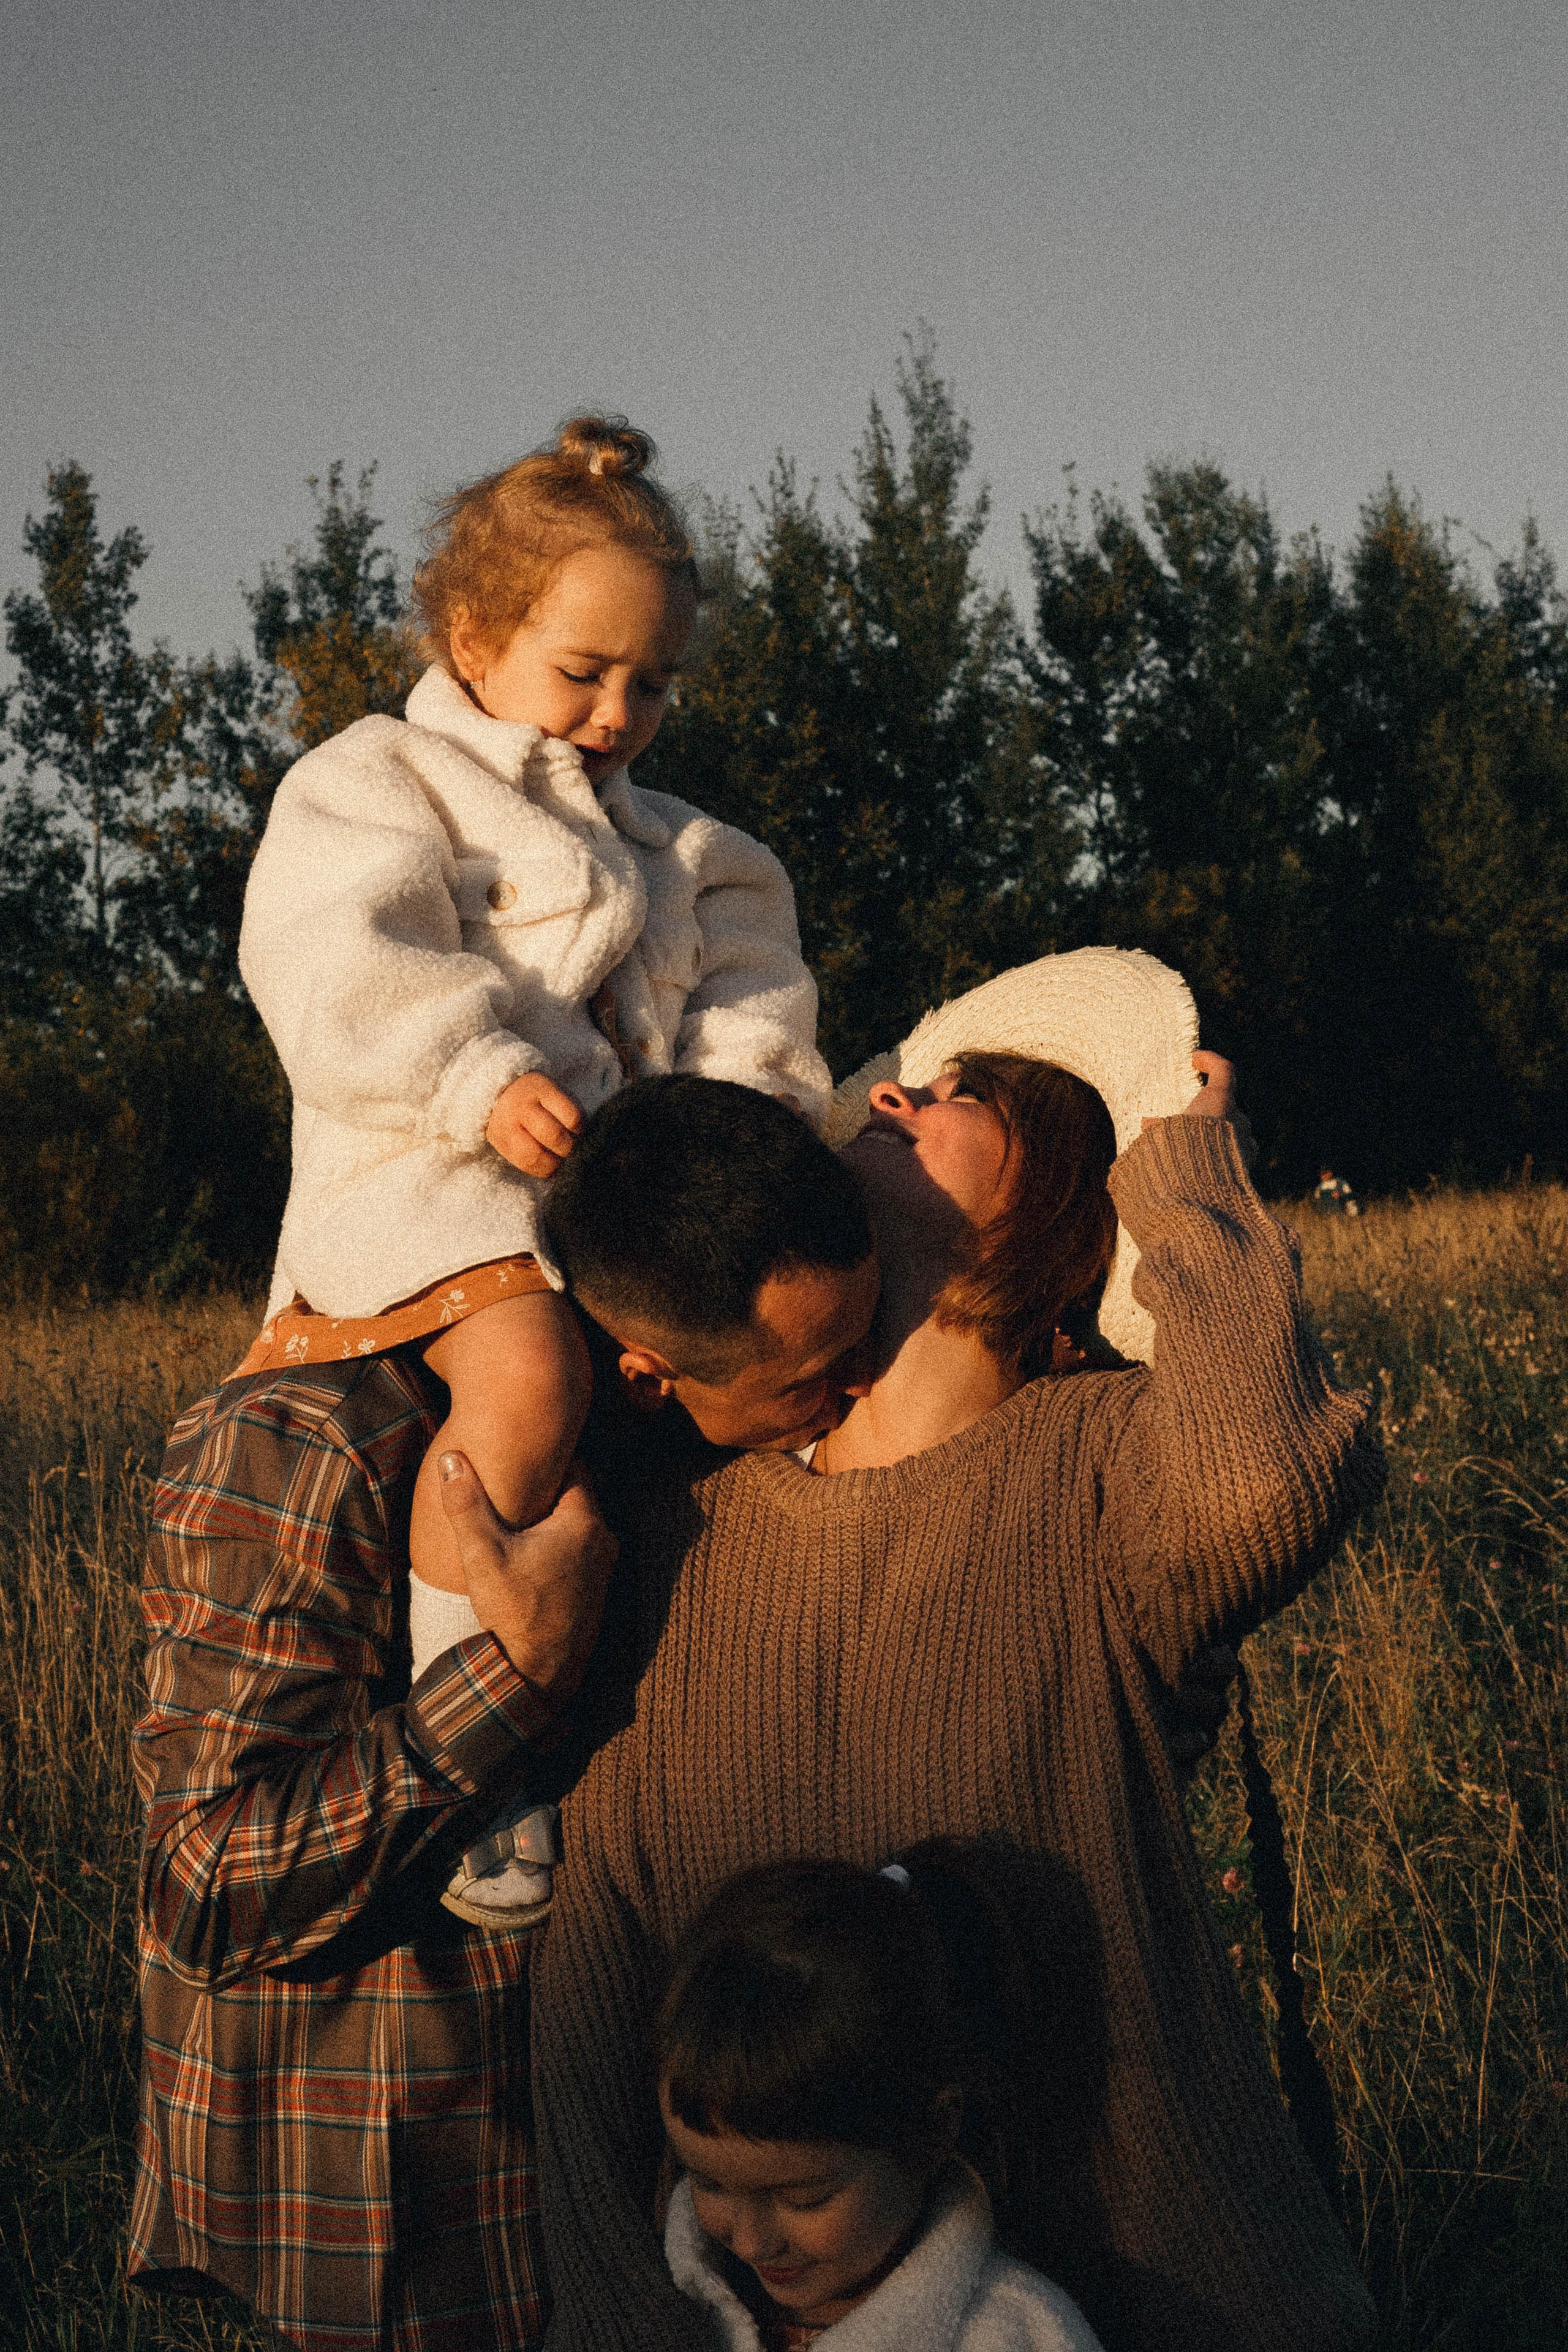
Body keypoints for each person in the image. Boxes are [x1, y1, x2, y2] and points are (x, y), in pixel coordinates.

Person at [529, 1014, 1385, 2351]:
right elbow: (594, 1987)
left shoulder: (1099, 1471)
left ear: (1053, 1197)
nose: (885, 1094)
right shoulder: (678, 1533)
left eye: (956, 1092)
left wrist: (1187, 1167)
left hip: (1165, 2297)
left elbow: (1266, 1482)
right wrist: (620, 2321)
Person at [127, 1093, 875, 2352]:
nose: (854, 1387)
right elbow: (202, 1892)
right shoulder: (314, 1438)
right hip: (390, 2206)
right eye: (811, 1376)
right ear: (648, 1371)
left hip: (612, 2194)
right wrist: (513, 1675)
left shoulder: (664, 1449)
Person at [235, 412, 830, 1923]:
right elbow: (333, 961)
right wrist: (475, 1071)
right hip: (420, 1176)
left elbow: (754, 1023)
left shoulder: (696, 857)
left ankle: (749, 1748)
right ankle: (482, 1738)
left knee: (752, 1378)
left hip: (614, 1215)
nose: (618, 711)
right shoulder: (379, 782)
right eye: (583, 671)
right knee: (528, 1375)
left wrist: (721, 1153)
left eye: (653, 682)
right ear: (473, 639)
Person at [655, 1852, 1106, 2351]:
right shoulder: (655, 2290)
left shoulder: (1013, 2335)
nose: (751, 2243)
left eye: (805, 2200)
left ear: (931, 2134)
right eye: (709, 2183)